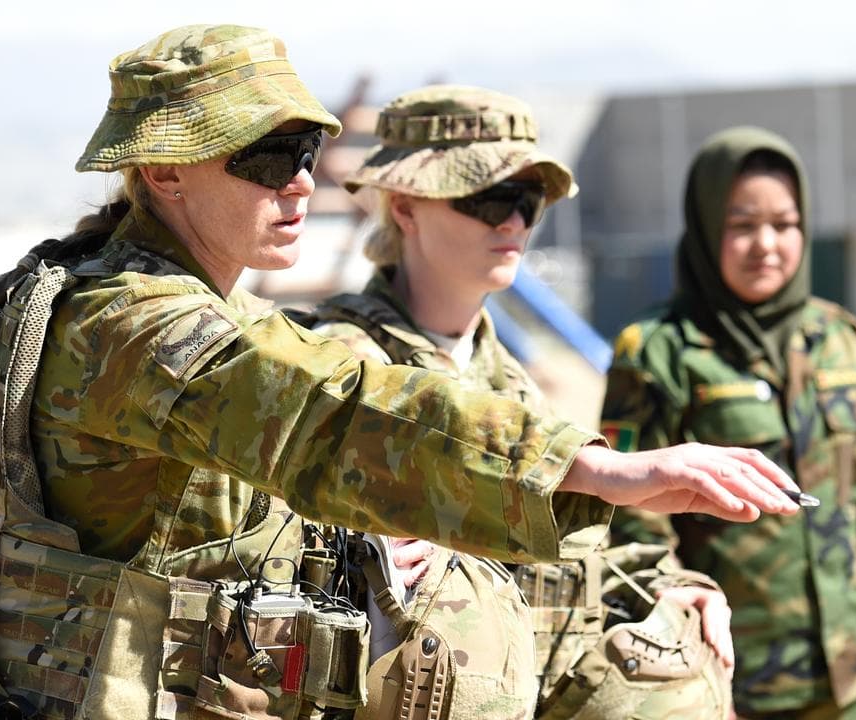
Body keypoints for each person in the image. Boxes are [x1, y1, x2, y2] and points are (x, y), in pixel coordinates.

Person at [0, 26, 801, 720]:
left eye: (301, 154)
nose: (299, 184)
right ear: (165, 170)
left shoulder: (209, 309)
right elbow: (326, 411)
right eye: (262, 159)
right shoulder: (126, 321)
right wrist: (592, 467)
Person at [304, 84, 735, 720]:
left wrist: (678, 588)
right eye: (486, 198)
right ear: (404, 209)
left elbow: (579, 543)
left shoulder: (509, 379)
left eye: (527, 201)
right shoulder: (338, 363)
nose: (512, 222)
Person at [599, 126, 856, 720]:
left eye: (785, 223)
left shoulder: (833, 338)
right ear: (703, 229)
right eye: (741, 225)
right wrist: (679, 642)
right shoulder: (656, 351)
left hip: (846, 670)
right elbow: (633, 523)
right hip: (727, 677)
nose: (767, 244)